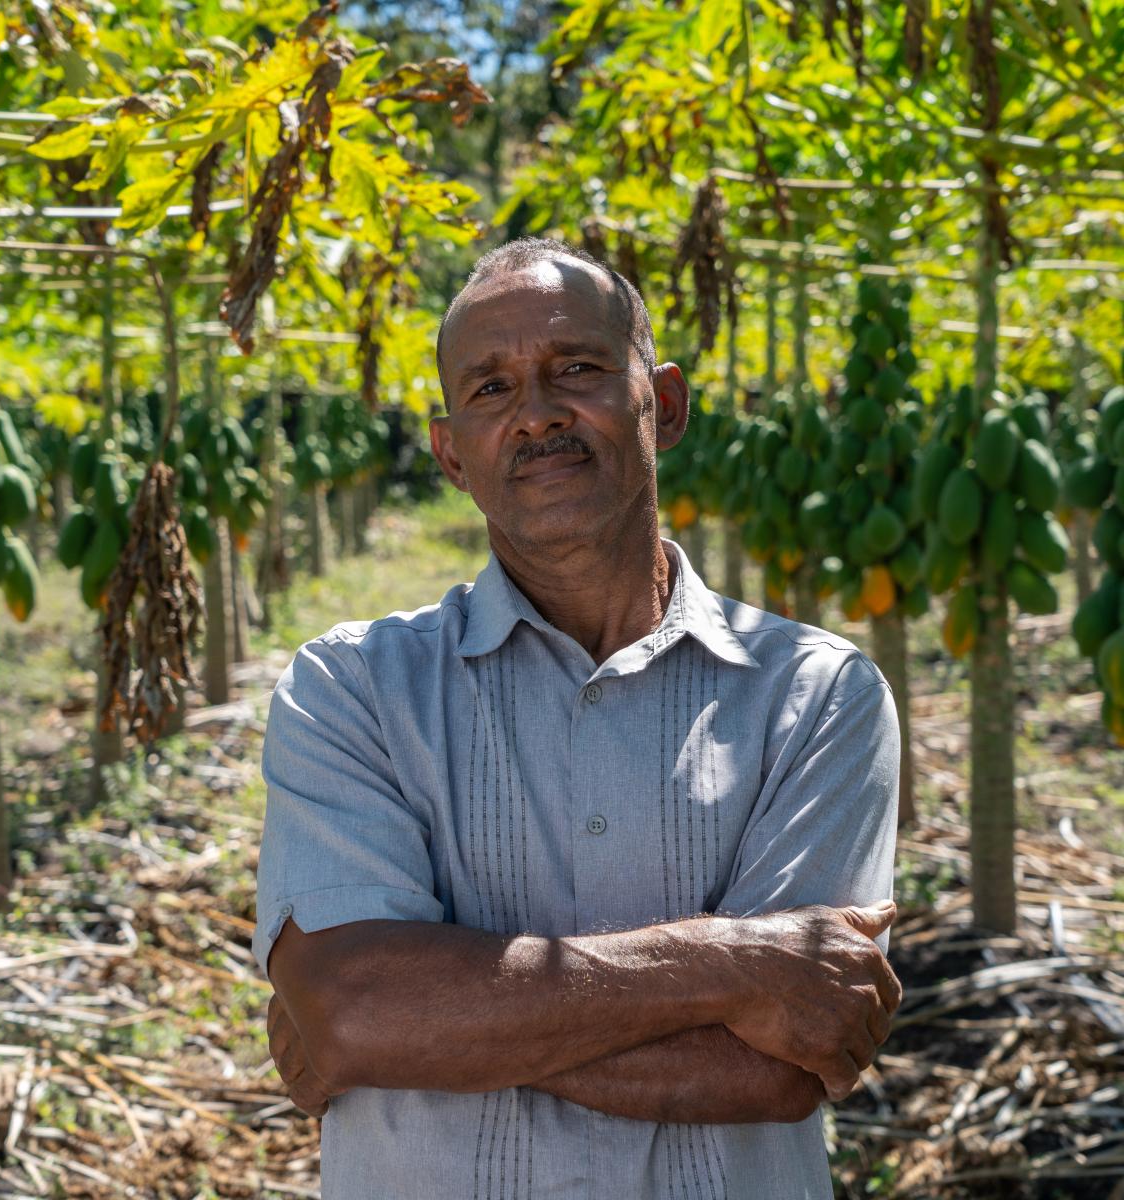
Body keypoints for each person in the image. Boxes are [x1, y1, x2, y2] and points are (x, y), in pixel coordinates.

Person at [253, 237, 903, 1200]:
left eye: (579, 370)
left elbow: (775, 1069)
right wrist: (731, 965)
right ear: (450, 457)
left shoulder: (817, 695)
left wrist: (423, 1022)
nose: (537, 414)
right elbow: (355, 1011)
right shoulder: (350, 688)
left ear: (665, 404)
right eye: (490, 390)